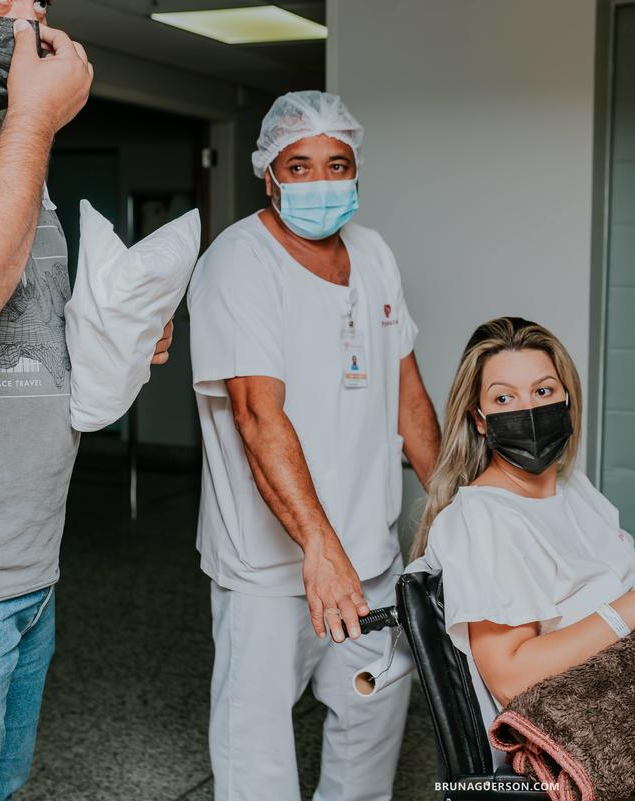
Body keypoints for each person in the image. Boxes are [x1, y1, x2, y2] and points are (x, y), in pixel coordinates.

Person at [0, 2, 172, 800]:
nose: (26, 17)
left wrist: (102, 333)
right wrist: (36, 119)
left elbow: (0, 303)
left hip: (22, 571)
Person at [187, 90, 441, 801]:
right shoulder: (240, 263)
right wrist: (319, 548)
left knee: (369, 728)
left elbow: (409, 396)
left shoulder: (373, 253)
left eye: (338, 163)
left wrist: (460, 504)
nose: (321, 181)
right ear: (269, 173)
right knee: (256, 753)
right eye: (300, 166)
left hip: (372, 556)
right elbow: (257, 416)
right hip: (269, 569)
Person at [406, 316, 635, 766]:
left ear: (566, 399)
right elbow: (511, 676)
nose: (528, 410)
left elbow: (594, 581)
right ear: (480, 421)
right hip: (598, 717)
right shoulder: (481, 519)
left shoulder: (573, 487)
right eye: (505, 397)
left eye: (543, 391)